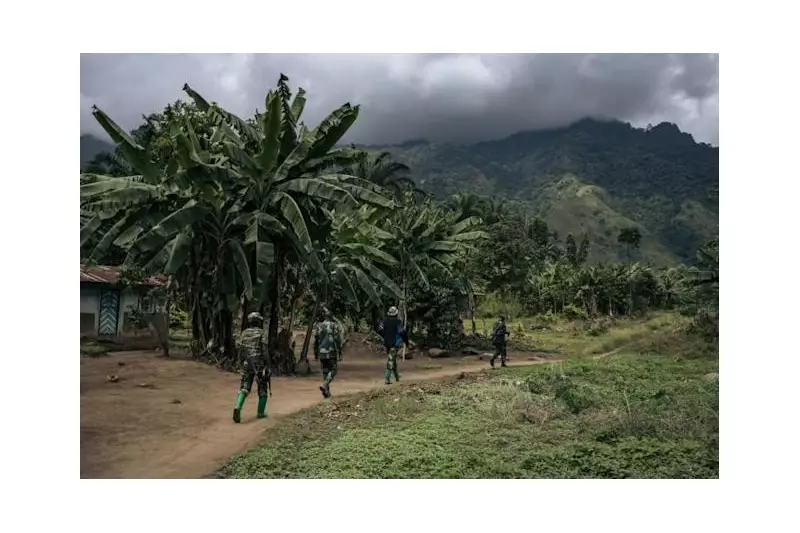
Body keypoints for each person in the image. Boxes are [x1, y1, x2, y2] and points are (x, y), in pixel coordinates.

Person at [232, 312, 270, 423]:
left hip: (246, 363)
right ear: (258, 322)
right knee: (262, 387)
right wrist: (268, 365)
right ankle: (260, 412)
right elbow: (265, 350)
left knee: (244, 387)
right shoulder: (261, 333)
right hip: (259, 364)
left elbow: (240, 349)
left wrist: (240, 362)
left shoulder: (244, 333)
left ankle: (237, 407)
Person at [314, 308, 343, 398]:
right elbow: (338, 340)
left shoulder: (319, 326)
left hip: (322, 351)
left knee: (325, 371)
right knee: (333, 370)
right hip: (331, 351)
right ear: (331, 317)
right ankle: (325, 384)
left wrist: (316, 353)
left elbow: (316, 341)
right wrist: (340, 351)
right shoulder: (334, 326)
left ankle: (326, 393)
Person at [376, 306, 409, 385]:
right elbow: (402, 332)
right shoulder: (398, 322)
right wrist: (406, 341)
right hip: (395, 344)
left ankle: (397, 376)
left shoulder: (384, 321)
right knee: (391, 360)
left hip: (387, 343)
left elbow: (379, 329)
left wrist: (385, 336)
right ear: (396, 314)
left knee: (392, 358)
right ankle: (387, 378)